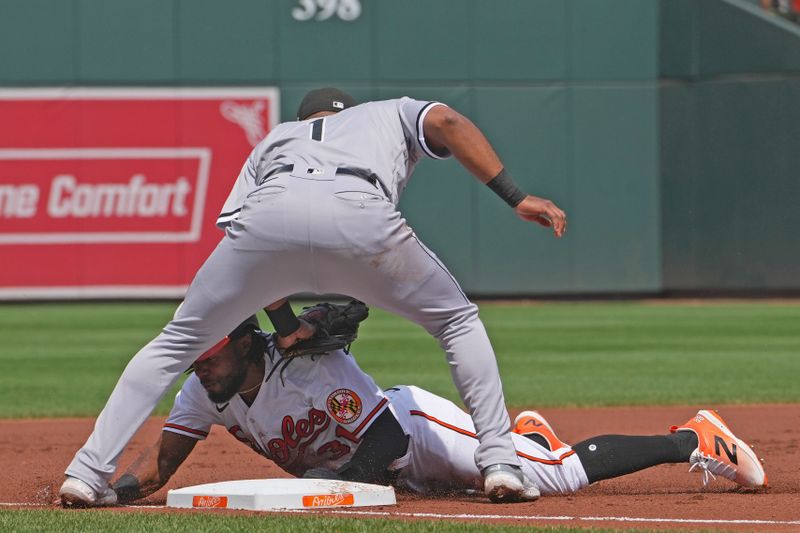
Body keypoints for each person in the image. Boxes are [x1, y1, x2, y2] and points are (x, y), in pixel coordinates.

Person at [60, 88, 568, 505]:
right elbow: (451, 124)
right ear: (345, 113)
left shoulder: (277, 138)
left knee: (174, 345)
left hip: (271, 213)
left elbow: (250, 252)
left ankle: (86, 473)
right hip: (359, 211)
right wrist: (515, 195)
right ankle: (500, 462)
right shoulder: (389, 111)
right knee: (456, 323)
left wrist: (288, 328)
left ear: (307, 120)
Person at [60, 316, 766, 506]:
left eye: (212, 355)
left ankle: (692, 437)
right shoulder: (202, 393)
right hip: (371, 464)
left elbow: (390, 435)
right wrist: (104, 494)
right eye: (196, 358)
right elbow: (155, 466)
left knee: (551, 481)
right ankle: (524, 433)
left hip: (413, 430)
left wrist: (346, 495)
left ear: (248, 343)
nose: (201, 367)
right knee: (508, 477)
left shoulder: (309, 366)